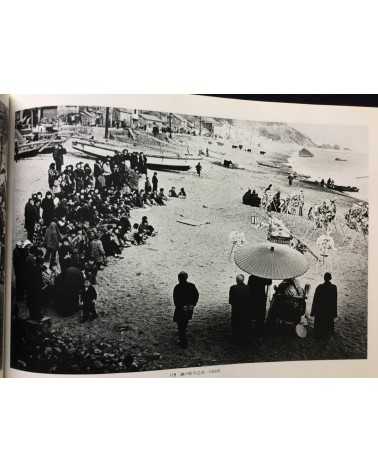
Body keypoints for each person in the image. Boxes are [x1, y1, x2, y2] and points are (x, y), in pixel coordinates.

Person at [173, 271, 199, 348]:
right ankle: (183, 339)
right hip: (189, 308)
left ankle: (183, 342)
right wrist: (193, 304)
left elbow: (176, 299)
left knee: (180, 326)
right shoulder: (191, 286)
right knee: (184, 323)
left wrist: (180, 306)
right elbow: (196, 296)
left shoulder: (177, 287)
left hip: (180, 309)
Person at [311, 272, 337, 338]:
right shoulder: (334, 288)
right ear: (330, 278)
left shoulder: (319, 287)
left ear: (324, 278)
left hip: (320, 310)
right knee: (328, 326)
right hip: (329, 310)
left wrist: (313, 311)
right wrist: (334, 313)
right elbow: (334, 302)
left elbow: (315, 300)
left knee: (319, 326)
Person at [229, 274, 251, 343]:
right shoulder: (248, 288)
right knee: (244, 323)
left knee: (235, 323)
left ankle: (235, 338)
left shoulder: (233, 288)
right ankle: (244, 338)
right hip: (245, 309)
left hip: (236, 309)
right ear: (243, 280)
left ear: (236, 280)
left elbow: (230, 300)